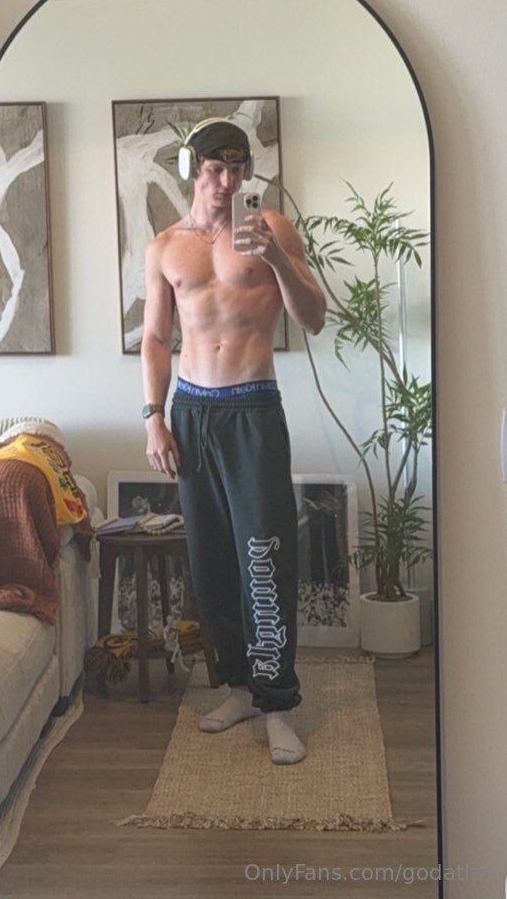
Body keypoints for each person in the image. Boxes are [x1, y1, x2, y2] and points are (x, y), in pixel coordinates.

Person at [140, 118, 326, 764]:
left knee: (264, 556)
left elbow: (314, 318)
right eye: (215, 169)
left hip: (252, 408)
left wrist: (275, 259)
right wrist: (153, 416)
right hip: (192, 412)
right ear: (193, 169)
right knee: (213, 560)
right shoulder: (166, 247)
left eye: (237, 168)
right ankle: (242, 690)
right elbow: (156, 338)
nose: (226, 181)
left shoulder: (273, 230)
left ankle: (278, 704)